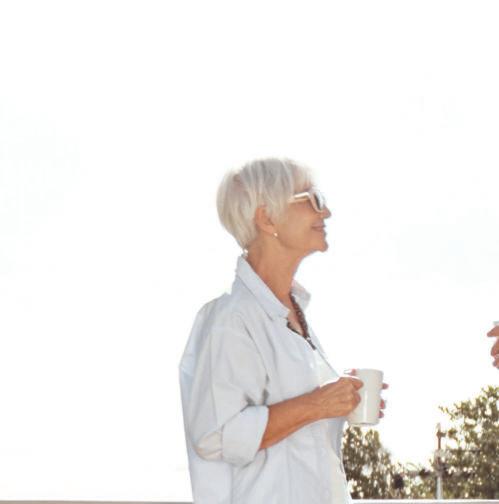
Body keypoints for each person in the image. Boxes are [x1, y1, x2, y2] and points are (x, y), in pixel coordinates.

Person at [179, 157, 388, 504]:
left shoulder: (291, 312)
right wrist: (318, 404)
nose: (326, 212)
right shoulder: (231, 318)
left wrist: (340, 400)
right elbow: (217, 434)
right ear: (267, 218)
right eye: (312, 199)